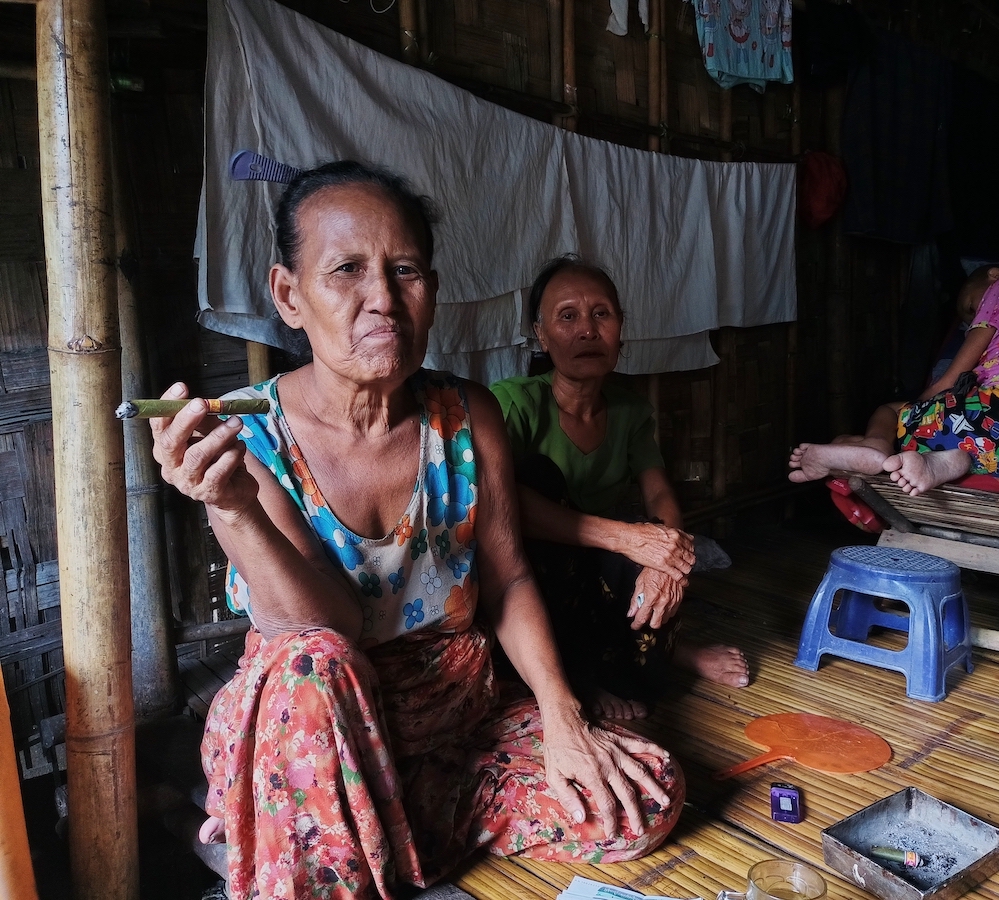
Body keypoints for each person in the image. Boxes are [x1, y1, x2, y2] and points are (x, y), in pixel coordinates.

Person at [149, 162, 683, 900]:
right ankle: (309, 825)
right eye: (346, 271)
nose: (384, 301)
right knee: (312, 660)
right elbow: (323, 624)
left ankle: (315, 841)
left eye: (406, 270)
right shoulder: (247, 434)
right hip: (321, 726)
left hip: (454, 724)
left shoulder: (468, 416)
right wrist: (232, 504)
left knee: (642, 794)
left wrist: (564, 721)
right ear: (288, 294)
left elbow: (511, 577)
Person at [489, 257, 750, 723]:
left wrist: (667, 561)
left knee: (644, 682)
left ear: (621, 328)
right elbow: (501, 508)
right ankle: (576, 677)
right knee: (537, 477)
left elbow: (659, 498)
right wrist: (632, 540)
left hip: (596, 565)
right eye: (567, 316)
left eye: (601, 314)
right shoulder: (514, 403)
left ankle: (669, 654)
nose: (587, 330)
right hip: (532, 568)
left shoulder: (630, 412)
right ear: (541, 334)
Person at [788, 265, 999, 496]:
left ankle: (874, 445)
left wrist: (919, 403)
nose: (974, 321)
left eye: (972, 309)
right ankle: (951, 461)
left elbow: (953, 377)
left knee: (890, 412)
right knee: (867, 447)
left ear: (993, 275)